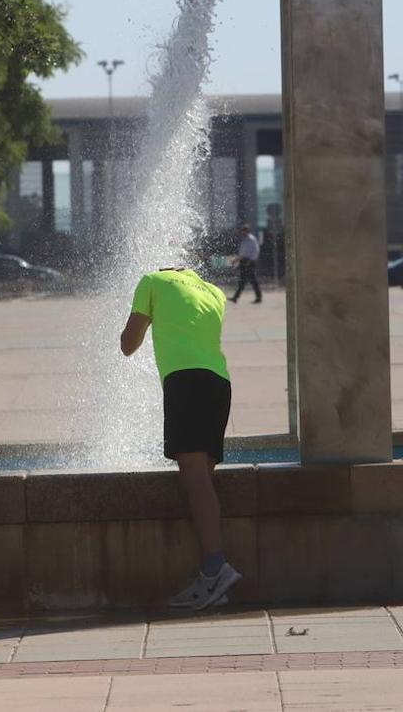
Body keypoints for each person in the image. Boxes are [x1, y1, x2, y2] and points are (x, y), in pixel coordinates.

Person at [120, 266, 242, 611]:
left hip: (185, 381)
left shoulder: (151, 281)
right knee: (203, 479)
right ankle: (211, 578)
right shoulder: (214, 292)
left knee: (195, 480)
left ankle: (216, 568)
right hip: (219, 382)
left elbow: (129, 345)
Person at [230, 225, 262, 303]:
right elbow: (243, 253)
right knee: (243, 281)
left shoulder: (251, 239)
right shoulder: (245, 240)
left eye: (243, 230)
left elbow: (255, 251)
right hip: (243, 262)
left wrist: (251, 261)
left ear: (247, 231)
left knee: (252, 281)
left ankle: (258, 297)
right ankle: (235, 297)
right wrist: (236, 260)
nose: (242, 232)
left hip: (249, 262)